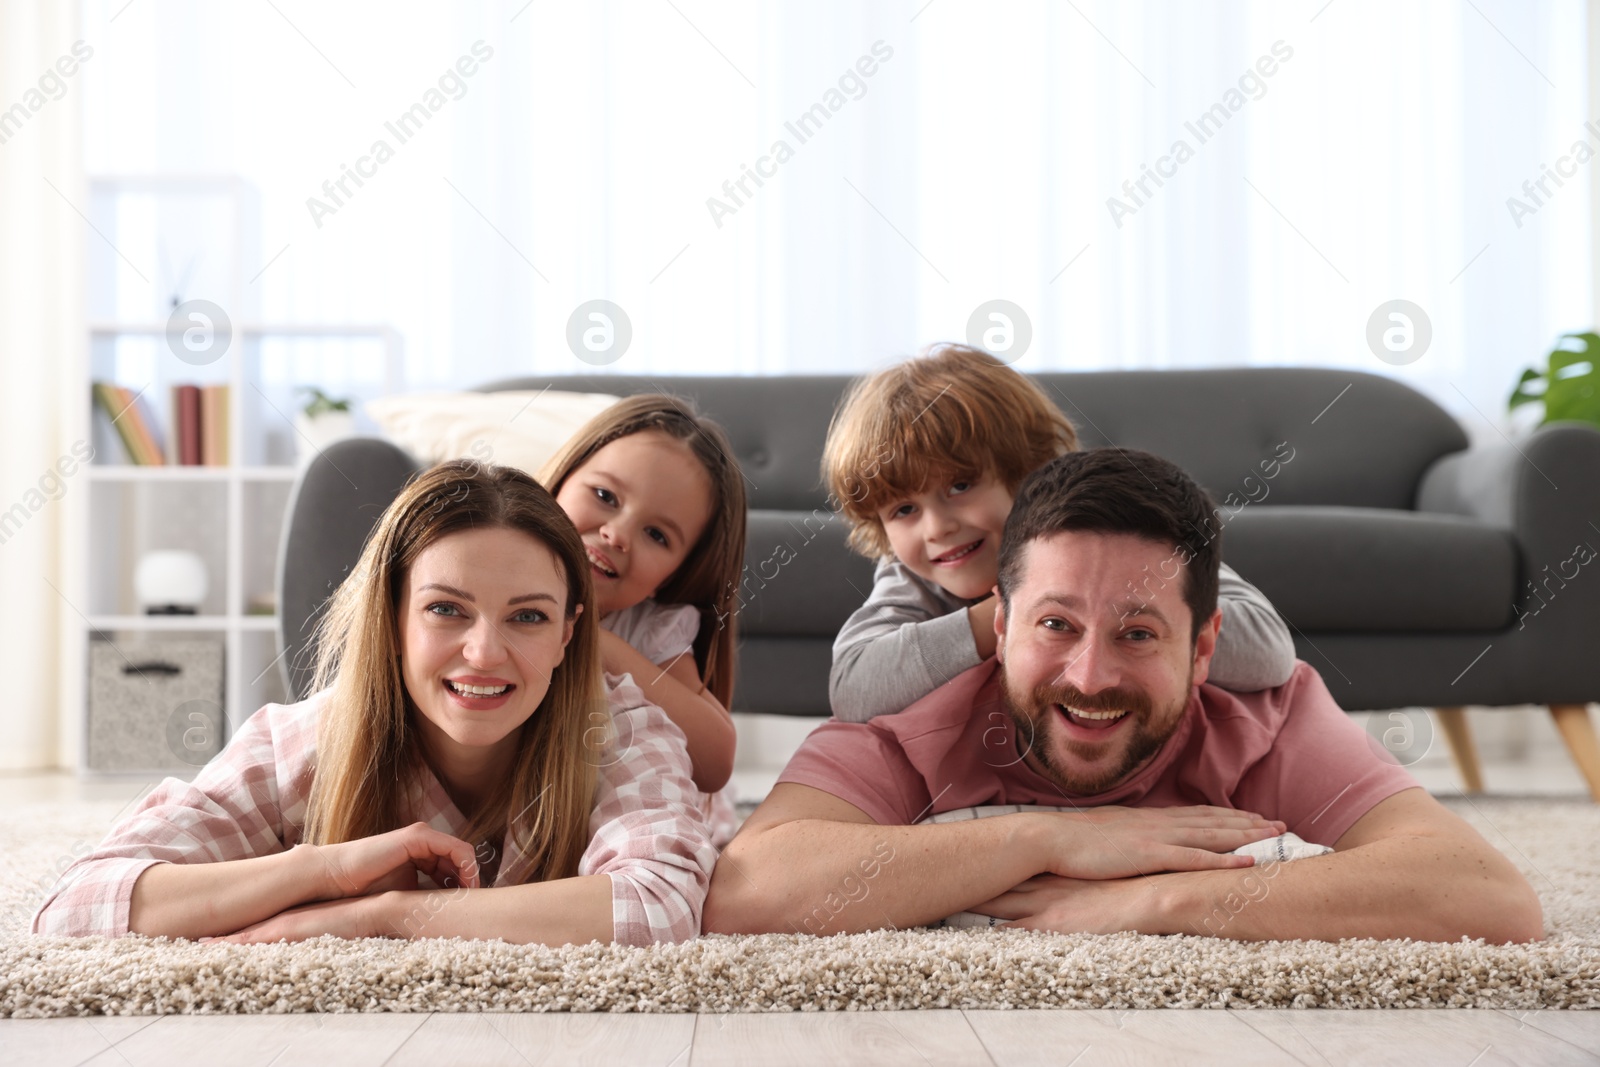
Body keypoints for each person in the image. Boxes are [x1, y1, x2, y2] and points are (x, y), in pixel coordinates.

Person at [705, 448, 1543, 944]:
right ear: (998, 625)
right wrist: (1058, 839)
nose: (1091, 675)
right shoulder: (911, 703)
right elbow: (748, 889)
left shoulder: (1267, 709)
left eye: (1139, 633)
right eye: (1056, 625)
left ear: (1205, 646)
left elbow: (1486, 893)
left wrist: (1149, 898)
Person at [34, 461, 716, 945]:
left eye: (528, 617)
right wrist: (321, 867)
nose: (483, 652)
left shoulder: (621, 727)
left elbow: (658, 906)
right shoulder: (301, 740)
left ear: (571, 633)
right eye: (446, 609)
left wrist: (382, 916)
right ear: (391, 617)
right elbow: (79, 903)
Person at [824, 344, 1297, 723]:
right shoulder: (911, 578)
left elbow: (1269, 655)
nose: (937, 526)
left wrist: (1118, 608)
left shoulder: (1108, 534)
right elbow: (854, 689)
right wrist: (1016, 613)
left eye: (960, 485)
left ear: (1027, 471)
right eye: (904, 509)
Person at [540, 395, 747, 842]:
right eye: (605, 496)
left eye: (656, 534)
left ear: (672, 576)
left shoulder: (646, 629)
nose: (617, 534)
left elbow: (716, 761)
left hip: (615, 821)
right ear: (559, 482)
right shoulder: (490, 574)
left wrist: (600, 645)